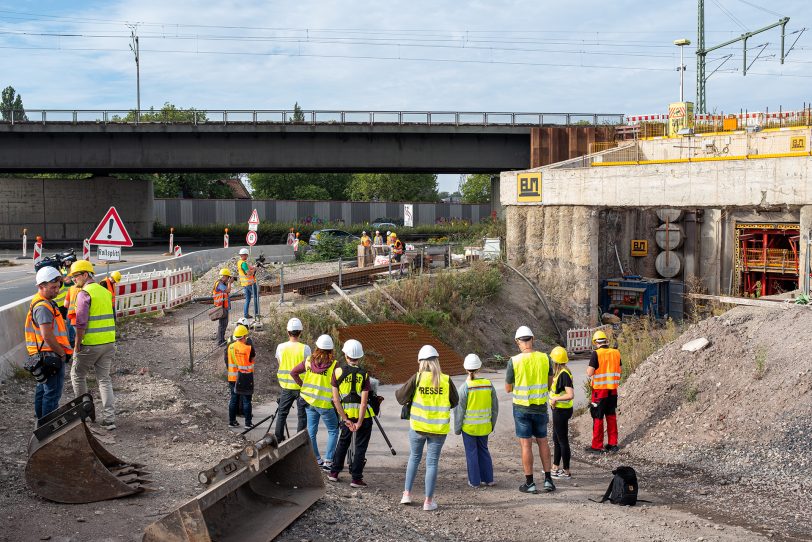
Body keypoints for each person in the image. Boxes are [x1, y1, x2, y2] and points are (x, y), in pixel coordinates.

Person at [396, 344, 459, 511]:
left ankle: (407, 494)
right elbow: (455, 401)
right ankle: (428, 502)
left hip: (417, 427)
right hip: (438, 430)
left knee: (414, 458)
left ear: (421, 362)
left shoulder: (417, 378)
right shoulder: (445, 380)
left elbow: (400, 397)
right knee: (432, 464)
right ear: (436, 361)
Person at [505, 325, 555, 494]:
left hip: (521, 408)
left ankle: (530, 483)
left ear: (517, 342)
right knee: (543, 441)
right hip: (540, 407)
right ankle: (548, 480)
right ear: (533, 339)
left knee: (526, 445)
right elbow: (550, 384)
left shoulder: (514, 361)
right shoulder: (545, 358)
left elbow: (507, 388)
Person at [68, 260, 117, 430]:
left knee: (77, 375)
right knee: (104, 379)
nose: (74, 280)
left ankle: (84, 415)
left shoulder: (84, 293)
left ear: (85, 274)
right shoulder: (104, 292)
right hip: (109, 342)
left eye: (75, 276)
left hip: (90, 343)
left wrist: (77, 345)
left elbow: (81, 323)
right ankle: (110, 419)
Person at [25, 266, 73, 422]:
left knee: (43, 390)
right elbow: (47, 335)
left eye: (58, 287)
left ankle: (41, 424)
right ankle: (48, 428)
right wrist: (61, 353)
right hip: (50, 355)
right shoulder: (43, 307)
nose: (57, 290)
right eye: (53, 287)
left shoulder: (42, 302)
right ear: (41, 286)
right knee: (52, 393)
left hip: (42, 354)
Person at [329, 339, 373, 488]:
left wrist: (345, 419)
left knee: (343, 442)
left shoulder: (337, 372)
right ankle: (356, 478)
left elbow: (336, 400)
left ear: (346, 355)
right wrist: (359, 422)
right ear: (359, 357)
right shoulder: (364, 375)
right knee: (360, 447)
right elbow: (364, 401)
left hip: (346, 414)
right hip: (363, 417)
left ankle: (334, 473)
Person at [291, 334, 340, 471]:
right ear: (331, 350)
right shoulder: (334, 366)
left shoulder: (308, 361)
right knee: (333, 430)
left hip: (308, 401)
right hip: (324, 404)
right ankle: (328, 462)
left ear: (317, 347)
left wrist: (303, 385)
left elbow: (293, 372)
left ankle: (316, 459)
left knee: (311, 431)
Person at [454, 353, 498, 488]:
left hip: (469, 428)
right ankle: (488, 479)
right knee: (484, 451)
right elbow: (494, 407)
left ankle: (474, 481)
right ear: (479, 368)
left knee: (471, 453)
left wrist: (457, 428)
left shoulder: (464, 387)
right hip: (484, 427)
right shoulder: (488, 385)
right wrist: (492, 424)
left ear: (466, 368)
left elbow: (459, 411)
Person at [274, 317, 311, 442]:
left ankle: (278, 438)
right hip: (302, 387)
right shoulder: (305, 348)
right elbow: (309, 367)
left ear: (287, 332)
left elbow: (280, 363)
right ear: (300, 332)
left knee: (282, 413)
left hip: (286, 387)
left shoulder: (280, 347)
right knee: (302, 416)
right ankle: (299, 441)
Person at [587, 330, 622, 453]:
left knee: (598, 417)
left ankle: (597, 446)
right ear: (606, 341)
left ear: (596, 342)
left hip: (599, 392)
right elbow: (620, 369)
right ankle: (613, 444)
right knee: (611, 416)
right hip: (612, 391)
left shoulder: (596, 354)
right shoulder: (616, 353)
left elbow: (590, 372)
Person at [549, 346, 575, 478]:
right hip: (560, 410)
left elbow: (570, 394)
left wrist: (555, 399)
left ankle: (566, 470)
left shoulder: (564, 374)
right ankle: (555, 467)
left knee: (562, 440)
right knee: (556, 438)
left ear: (555, 361)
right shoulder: (560, 372)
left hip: (561, 410)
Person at [227, 324, 255, 428]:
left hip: (232, 378)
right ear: (243, 337)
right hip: (245, 378)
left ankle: (232, 421)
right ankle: (248, 423)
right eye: (246, 336)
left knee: (233, 399)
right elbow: (252, 360)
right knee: (247, 400)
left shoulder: (230, 346)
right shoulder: (248, 348)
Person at [213, 268, 233, 347]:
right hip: (221, 307)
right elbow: (227, 291)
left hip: (224, 306)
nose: (228, 279)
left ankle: (221, 339)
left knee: (224, 324)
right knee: (222, 324)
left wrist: (228, 283)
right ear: (224, 276)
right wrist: (230, 283)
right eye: (228, 277)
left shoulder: (222, 283)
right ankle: (220, 341)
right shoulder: (219, 284)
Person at [237, 248, 259, 320]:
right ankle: (257, 313)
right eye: (246, 255)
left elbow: (249, 267)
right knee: (256, 297)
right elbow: (248, 273)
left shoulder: (240, 262)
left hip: (244, 284)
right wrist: (254, 270)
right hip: (250, 283)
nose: (247, 256)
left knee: (248, 299)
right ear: (244, 255)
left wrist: (253, 267)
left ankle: (246, 314)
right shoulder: (243, 263)